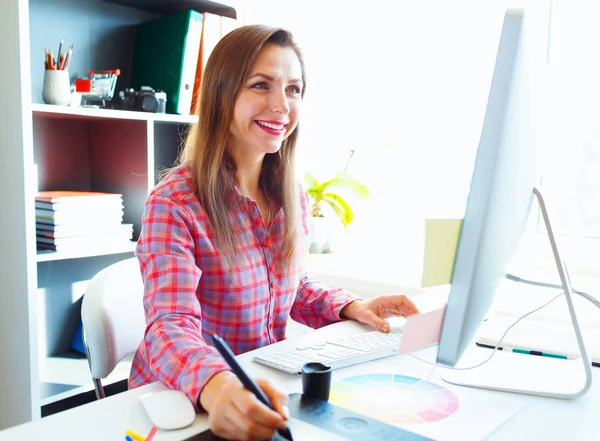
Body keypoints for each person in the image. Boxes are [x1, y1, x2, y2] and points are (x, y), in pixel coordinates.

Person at [130, 24, 419, 441]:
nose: (281, 106)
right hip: (188, 403)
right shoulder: (174, 203)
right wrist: (219, 385)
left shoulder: (291, 195)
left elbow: (289, 283)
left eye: (294, 89)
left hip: (257, 389)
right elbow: (168, 327)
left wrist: (350, 307)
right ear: (221, 95)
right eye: (261, 85)